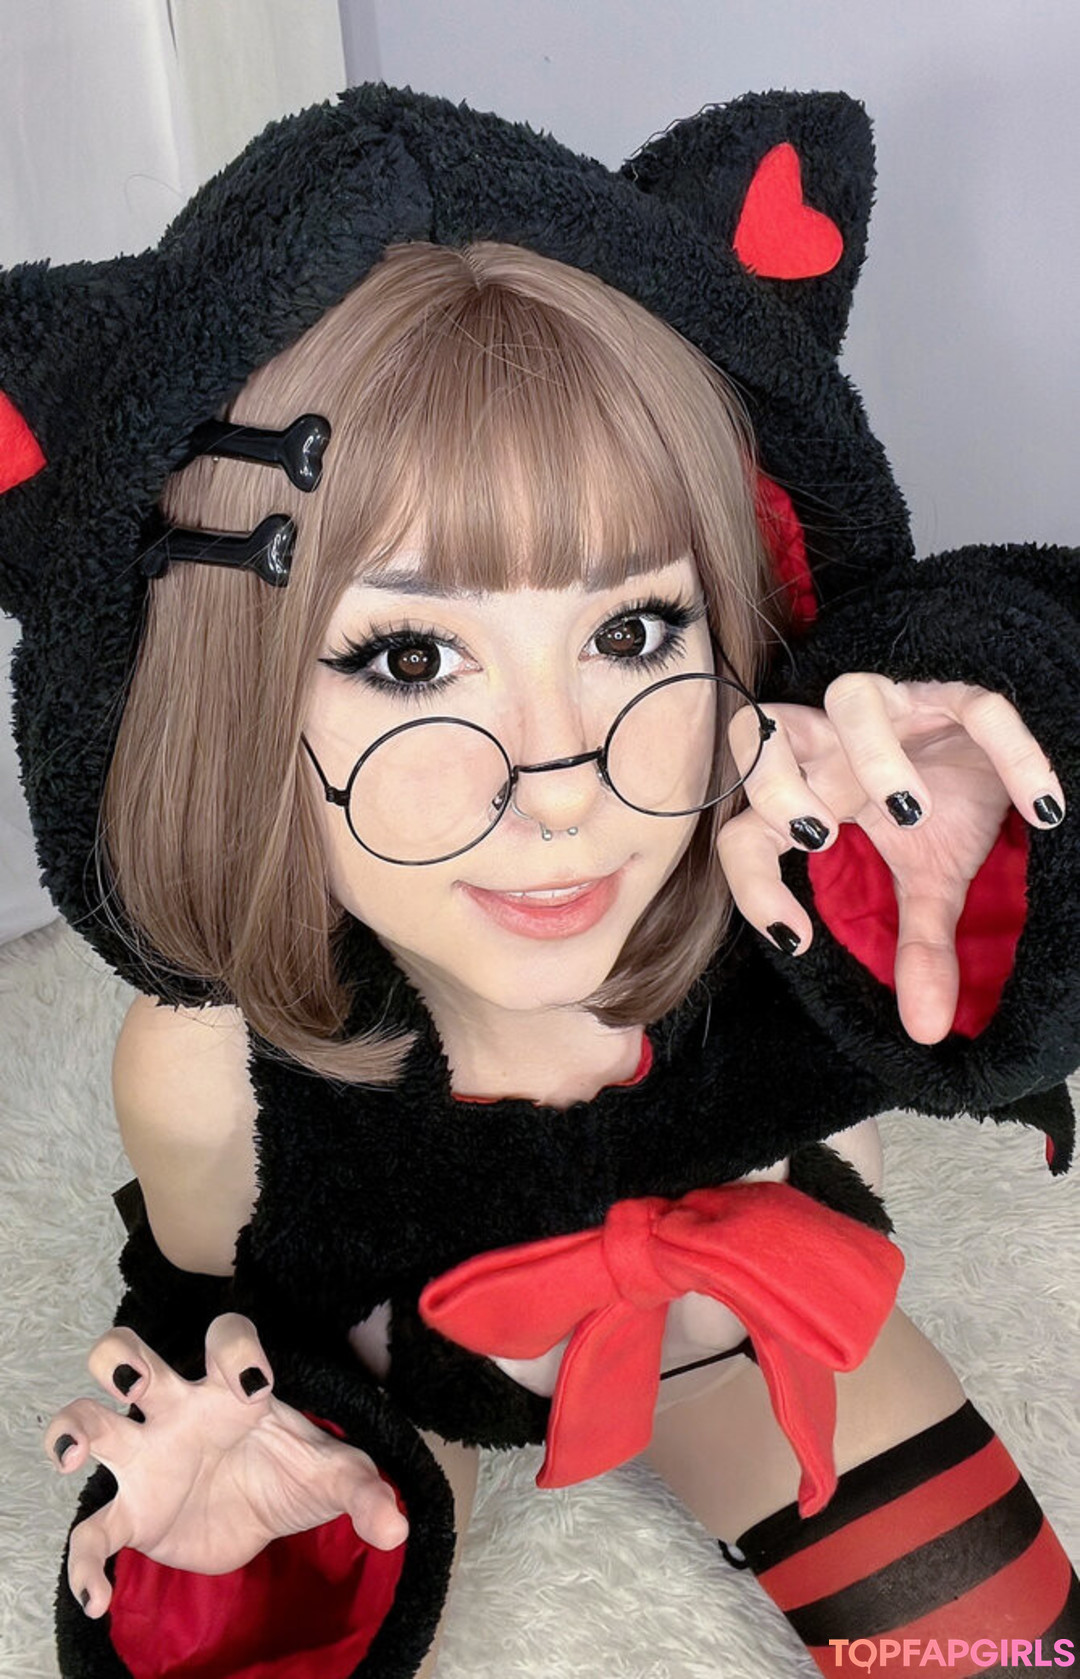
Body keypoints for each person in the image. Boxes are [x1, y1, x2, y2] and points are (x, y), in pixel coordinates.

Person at [0, 85, 1077, 1677]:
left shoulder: (782, 899)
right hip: (407, 1366)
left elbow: (995, 925)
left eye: (632, 631)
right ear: (235, 701)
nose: (565, 787)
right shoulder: (208, 1072)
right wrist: (246, 1494)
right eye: (410, 657)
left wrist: (1006, 798)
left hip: (731, 1325)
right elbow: (217, 1319)